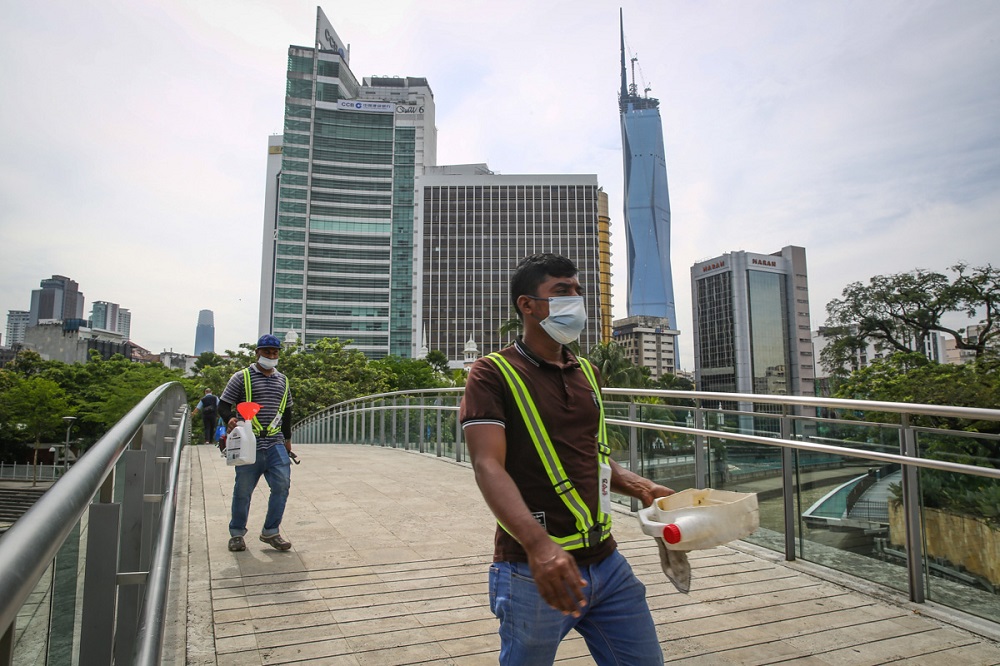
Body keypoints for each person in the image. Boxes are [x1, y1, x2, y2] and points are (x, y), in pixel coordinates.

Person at [460, 253, 673, 665]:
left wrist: (643, 487)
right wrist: (540, 547)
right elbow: (488, 465)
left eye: (577, 291)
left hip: (606, 562)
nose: (575, 300)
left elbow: (592, 455)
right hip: (531, 570)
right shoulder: (491, 373)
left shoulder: (587, 372)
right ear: (527, 304)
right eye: (561, 291)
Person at [219, 334, 294, 552]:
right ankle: (237, 533)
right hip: (249, 443)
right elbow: (224, 405)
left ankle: (271, 531)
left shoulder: (283, 380)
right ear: (257, 353)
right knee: (243, 490)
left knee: (282, 485)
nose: (271, 356)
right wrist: (229, 418)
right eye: (267, 352)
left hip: (275, 442)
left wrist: (288, 440)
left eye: (275, 353)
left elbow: (287, 412)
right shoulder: (241, 377)